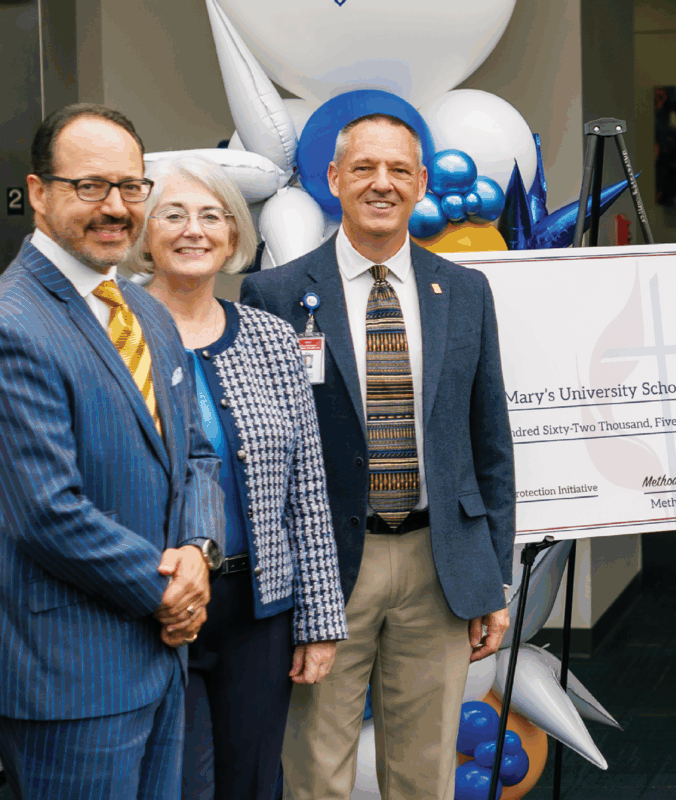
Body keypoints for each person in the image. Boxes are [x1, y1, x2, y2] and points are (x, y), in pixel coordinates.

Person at [241, 113, 516, 799]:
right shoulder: (274, 297)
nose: (382, 184)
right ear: (335, 179)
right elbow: (263, 458)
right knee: (315, 773)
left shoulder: (466, 292)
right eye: (363, 168)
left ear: (422, 182)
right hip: (325, 571)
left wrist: (494, 577)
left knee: (424, 776)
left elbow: (490, 443)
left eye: (399, 170)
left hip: (439, 564)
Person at [0, 104, 221, 799]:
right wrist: (170, 592)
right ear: (39, 193)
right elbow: (45, 511)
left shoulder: (144, 310)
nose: (116, 208)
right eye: (90, 187)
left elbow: (194, 457)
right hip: (72, 677)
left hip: (160, 662)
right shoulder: (13, 323)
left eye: (131, 187)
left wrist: (198, 549)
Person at [128, 156, 350, 800]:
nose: (193, 230)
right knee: (175, 784)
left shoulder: (273, 339)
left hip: (260, 603)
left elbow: (306, 487)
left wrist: (318, 621)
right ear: (144, 232)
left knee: (253, 781)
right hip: (153, 605)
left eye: (212, 216)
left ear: (233, 238)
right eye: (172, 214)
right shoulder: (113, 332)